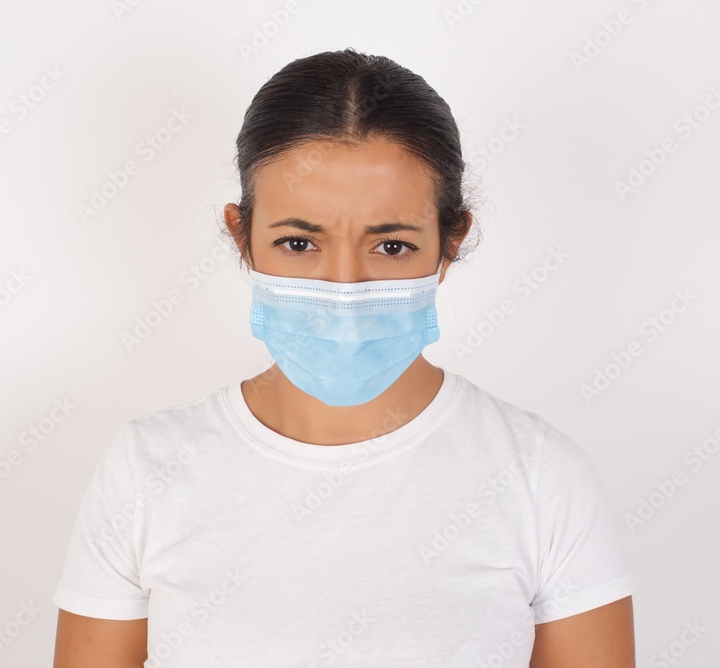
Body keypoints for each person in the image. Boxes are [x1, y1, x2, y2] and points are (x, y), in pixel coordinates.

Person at [52, 48, 636, 667]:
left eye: (390, 245)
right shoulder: (148, 469)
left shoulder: (541, 477)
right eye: (299, 242)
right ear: (242, 237)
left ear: (451, 241)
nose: (344, 290)